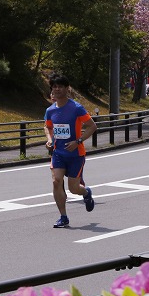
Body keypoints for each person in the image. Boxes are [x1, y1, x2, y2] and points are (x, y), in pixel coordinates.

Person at [44, 74, 97, 228]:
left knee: (73, 189)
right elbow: (48, 127)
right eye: (54, 86)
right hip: (58, 153)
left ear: (67, 89)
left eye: (60, 86)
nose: (57, 89)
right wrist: (49, 139)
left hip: (75, 154)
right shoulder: (50, 110)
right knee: (56, 181)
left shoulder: (76, 108)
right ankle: (63, 217)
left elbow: (92, 126)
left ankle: (86, 193)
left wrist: (78, 141)